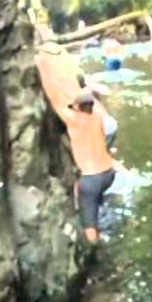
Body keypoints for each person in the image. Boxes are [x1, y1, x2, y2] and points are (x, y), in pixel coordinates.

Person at [36, 44, 117, 243]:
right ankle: (101, 223)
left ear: (78, 107)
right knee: (95, 203)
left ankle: (95, 250)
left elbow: (54, 97)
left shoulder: (73, 121)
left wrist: (42, 68)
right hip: (109, 174)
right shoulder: (98, 116)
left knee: (88, 223)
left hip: (90, 180)